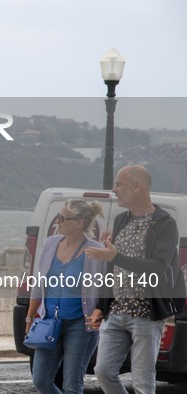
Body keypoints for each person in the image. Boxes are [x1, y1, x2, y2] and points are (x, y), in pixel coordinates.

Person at [86, 165, 185, 394]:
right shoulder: (121, 220)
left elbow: (158, 268)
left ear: (137, 185)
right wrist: (102, 305)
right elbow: (111, 269)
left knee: (142, 381)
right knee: (103, 370)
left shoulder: (164, 223)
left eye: (119, 184)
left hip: (146, 314)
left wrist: (117, 256)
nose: (114, 189)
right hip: (117, 310)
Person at [27, 199, 107, 394]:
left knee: (72, 386)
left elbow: (106, 289)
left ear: (79, 222)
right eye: (57, 217)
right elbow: (39, 284)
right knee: (40, 380)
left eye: (62, 218)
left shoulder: (96, 251)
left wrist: (100, 315)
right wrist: (30, 317)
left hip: (80, 325)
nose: (57, 222)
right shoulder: (50, 244)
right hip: (48, 322)